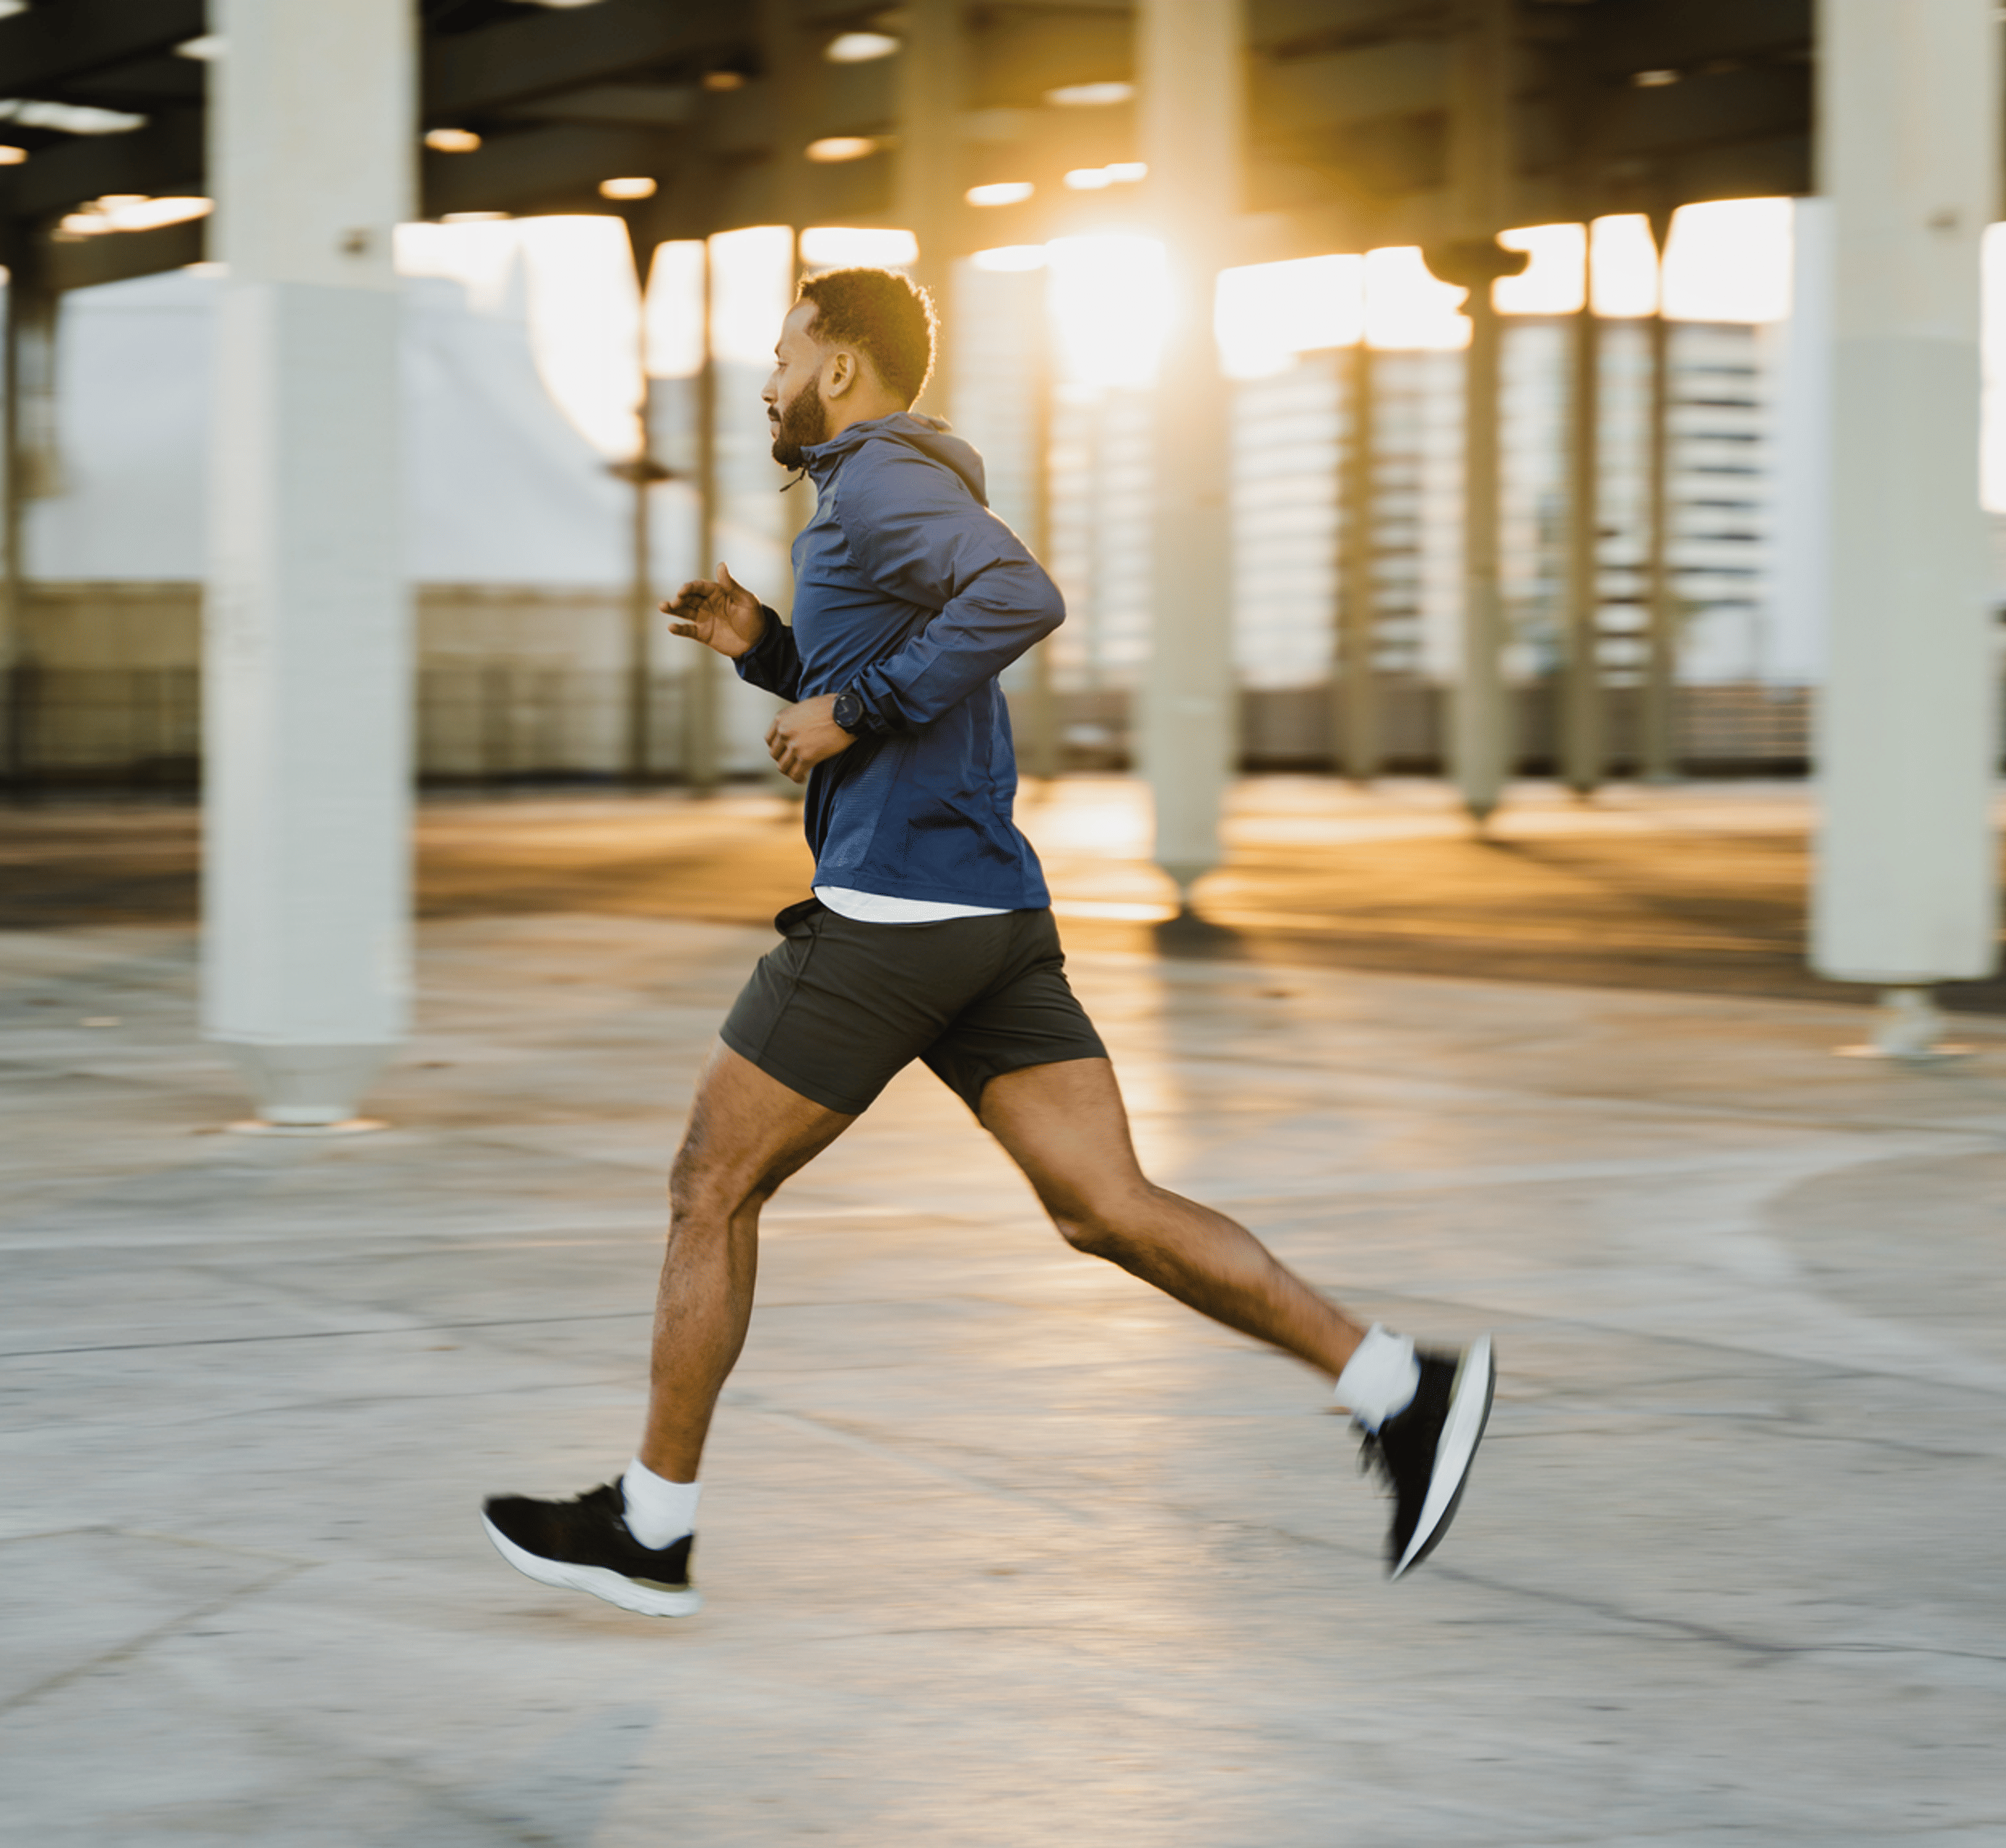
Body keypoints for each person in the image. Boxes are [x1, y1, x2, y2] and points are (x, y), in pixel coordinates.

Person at [482, 266, 1491, 1618]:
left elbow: (1020, 595)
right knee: (1106, 1207)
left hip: (895, 913)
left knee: (709, 1186)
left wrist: (851, 713)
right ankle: (1397, 1386)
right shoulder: (872, 493)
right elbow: (902, 658)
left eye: (783, 351)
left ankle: (653, 1523)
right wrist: (772, 651)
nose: (767, 377)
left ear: (838, 366)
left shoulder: (888, 480)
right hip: (988, 917)